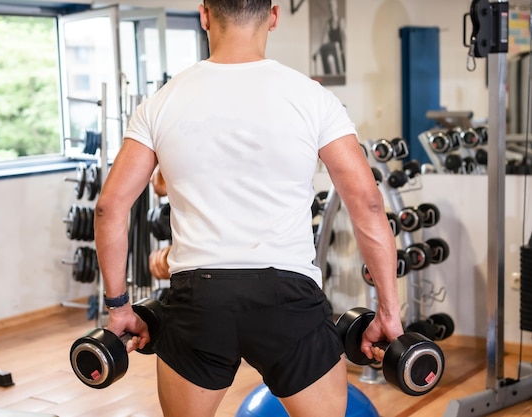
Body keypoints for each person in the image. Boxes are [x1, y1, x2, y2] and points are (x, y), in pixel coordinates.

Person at [94, 1, 404, 416]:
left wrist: (119, 309)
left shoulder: (160, 102)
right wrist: (388, 312)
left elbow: (109, 208)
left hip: (198, 298)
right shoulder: (313, 97)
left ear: (205, 15)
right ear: (273, 16)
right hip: (288, 297)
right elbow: (367, 204)